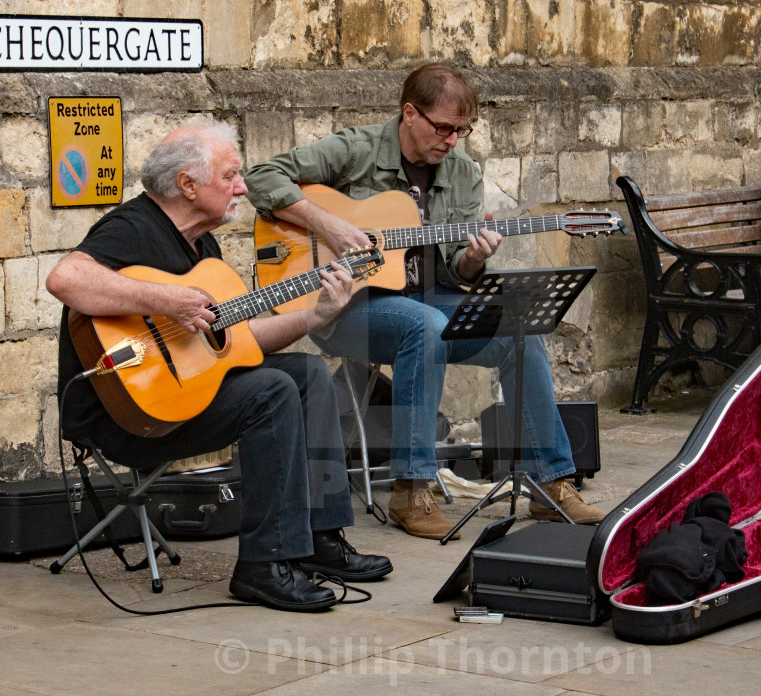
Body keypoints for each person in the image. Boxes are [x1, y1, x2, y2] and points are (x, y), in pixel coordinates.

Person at [246, 63, 605, 540]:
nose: (452, 140)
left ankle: (550, 484)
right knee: (425, 326)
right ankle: (411, 490)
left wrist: (475, 259)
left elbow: (458, 268)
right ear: (409, 113)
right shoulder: (356, 150)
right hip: (347, 307)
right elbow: (261, 176)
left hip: (430, 305)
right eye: (443, 127)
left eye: (462, 130)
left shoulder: (463, 173)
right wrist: (326, 224)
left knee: (518, 328)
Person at [46, 122, 392, 613]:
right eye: (230, 175)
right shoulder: (132, 227)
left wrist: (318, 315)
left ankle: (320, 541)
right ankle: (262, 566)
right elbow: (65, 278)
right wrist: (167, 300)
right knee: (271, 390)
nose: (243, 187)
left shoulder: (203, 248)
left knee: (309, 375)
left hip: (188, 395)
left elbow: (239, 342)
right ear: (188, 185)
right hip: (123, 413)